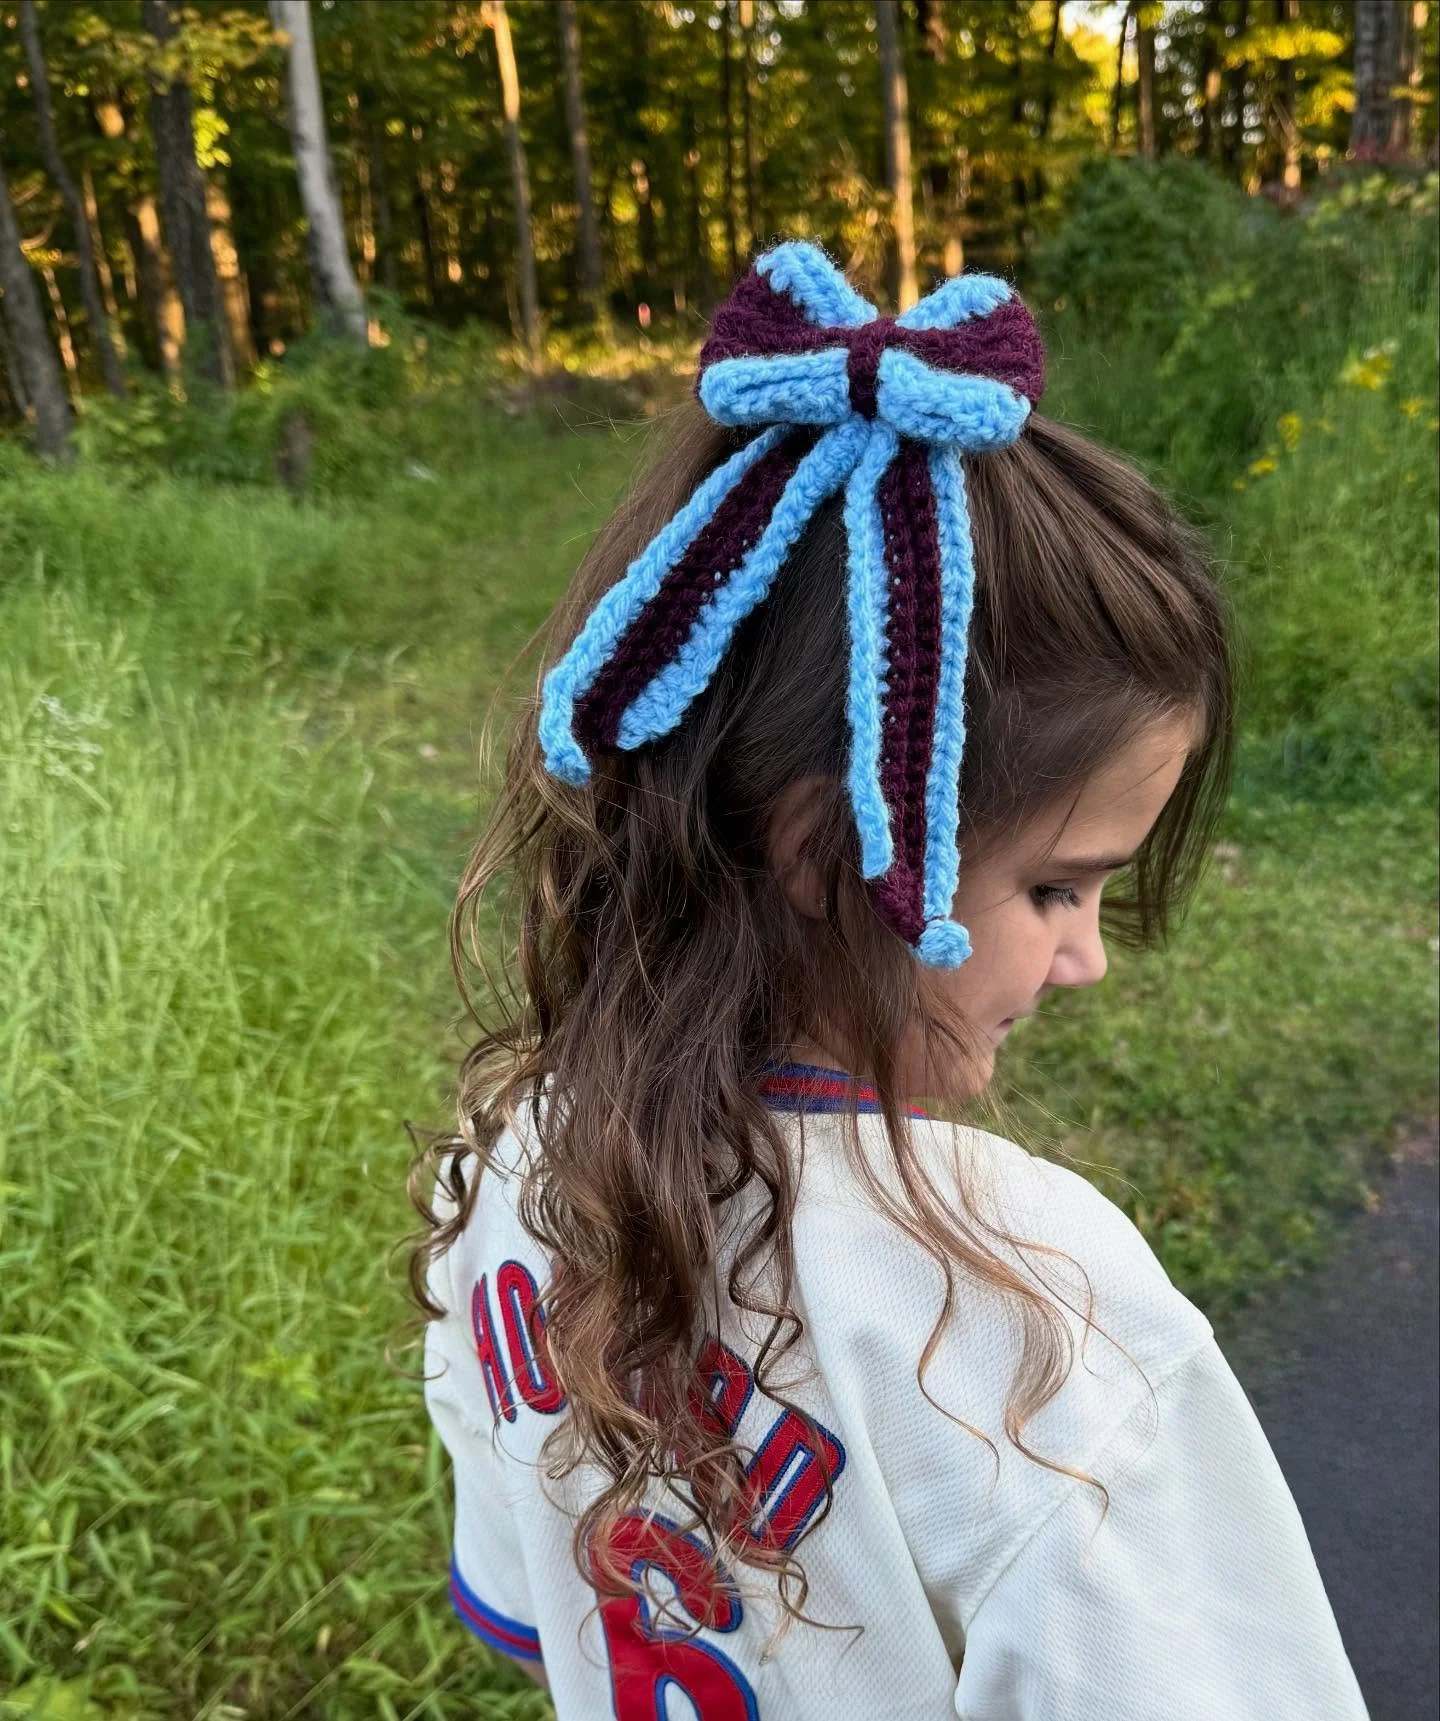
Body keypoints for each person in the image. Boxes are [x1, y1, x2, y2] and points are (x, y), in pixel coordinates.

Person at [409, 243, 1368, 1719]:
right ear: (831, 852)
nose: (1086, 958)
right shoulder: (1037, 1318)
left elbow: (539, 1617)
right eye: (1056, 889)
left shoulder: (507, 1176)